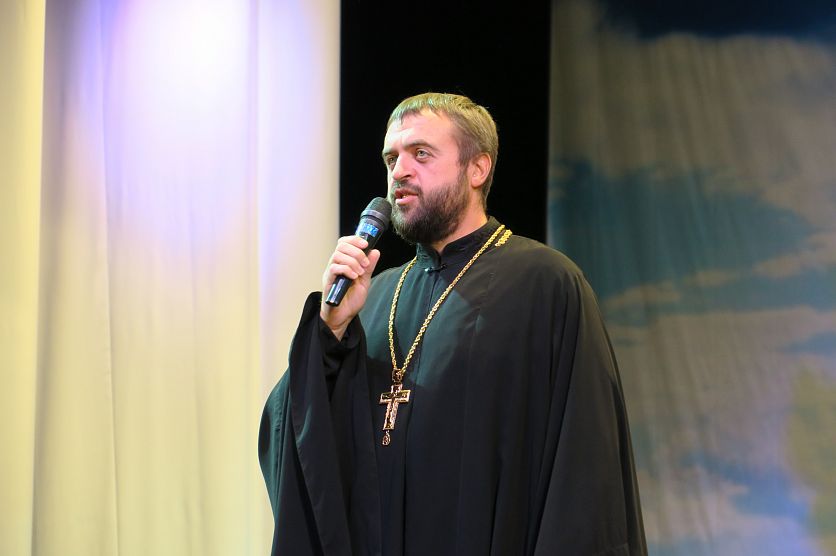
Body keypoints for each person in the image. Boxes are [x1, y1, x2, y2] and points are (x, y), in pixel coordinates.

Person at [259, 92, 647, 555]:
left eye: (421, 154)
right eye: (392, 158)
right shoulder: (373, 295)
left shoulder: (545, 285)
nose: (399, 172)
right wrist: (330, 332)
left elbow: (585, 468)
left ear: (477, 169)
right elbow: (297, 435)